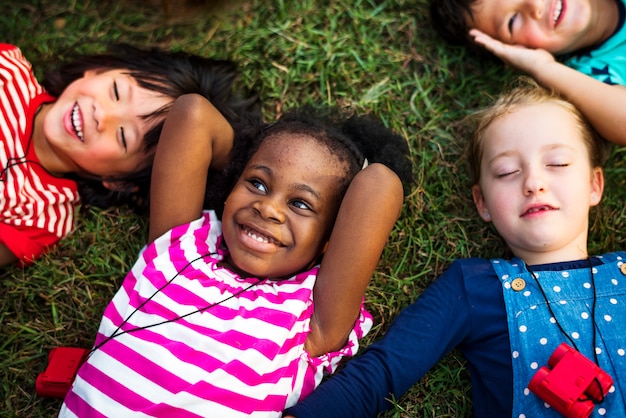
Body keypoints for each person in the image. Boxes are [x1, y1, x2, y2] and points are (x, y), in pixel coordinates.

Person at [282, 78, 626, 417]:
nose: (534, 183)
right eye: (507, 171)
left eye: (558, 163)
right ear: (483, 203)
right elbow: (385, 371)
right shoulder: (475, 286)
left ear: (595, 185)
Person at [58, 93, 414, 417]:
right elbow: (192, 113)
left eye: (300, 204)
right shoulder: (178, 250)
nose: (268, 208)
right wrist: (248, 151)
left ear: (331, 240)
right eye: (257, 183)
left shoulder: (311, 320)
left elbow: (379, 183)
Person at [0, 42, 256, 267]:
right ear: (99, 70)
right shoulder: (9, 72)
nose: (102, 116)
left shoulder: (44, 214)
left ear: (119, 180)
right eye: (116, 92)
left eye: (123, 136)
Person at [429, 0, 626, 148]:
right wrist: (544, 67)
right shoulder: (590, 77)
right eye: (513, 21)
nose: (535, 5)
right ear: (516, 50)